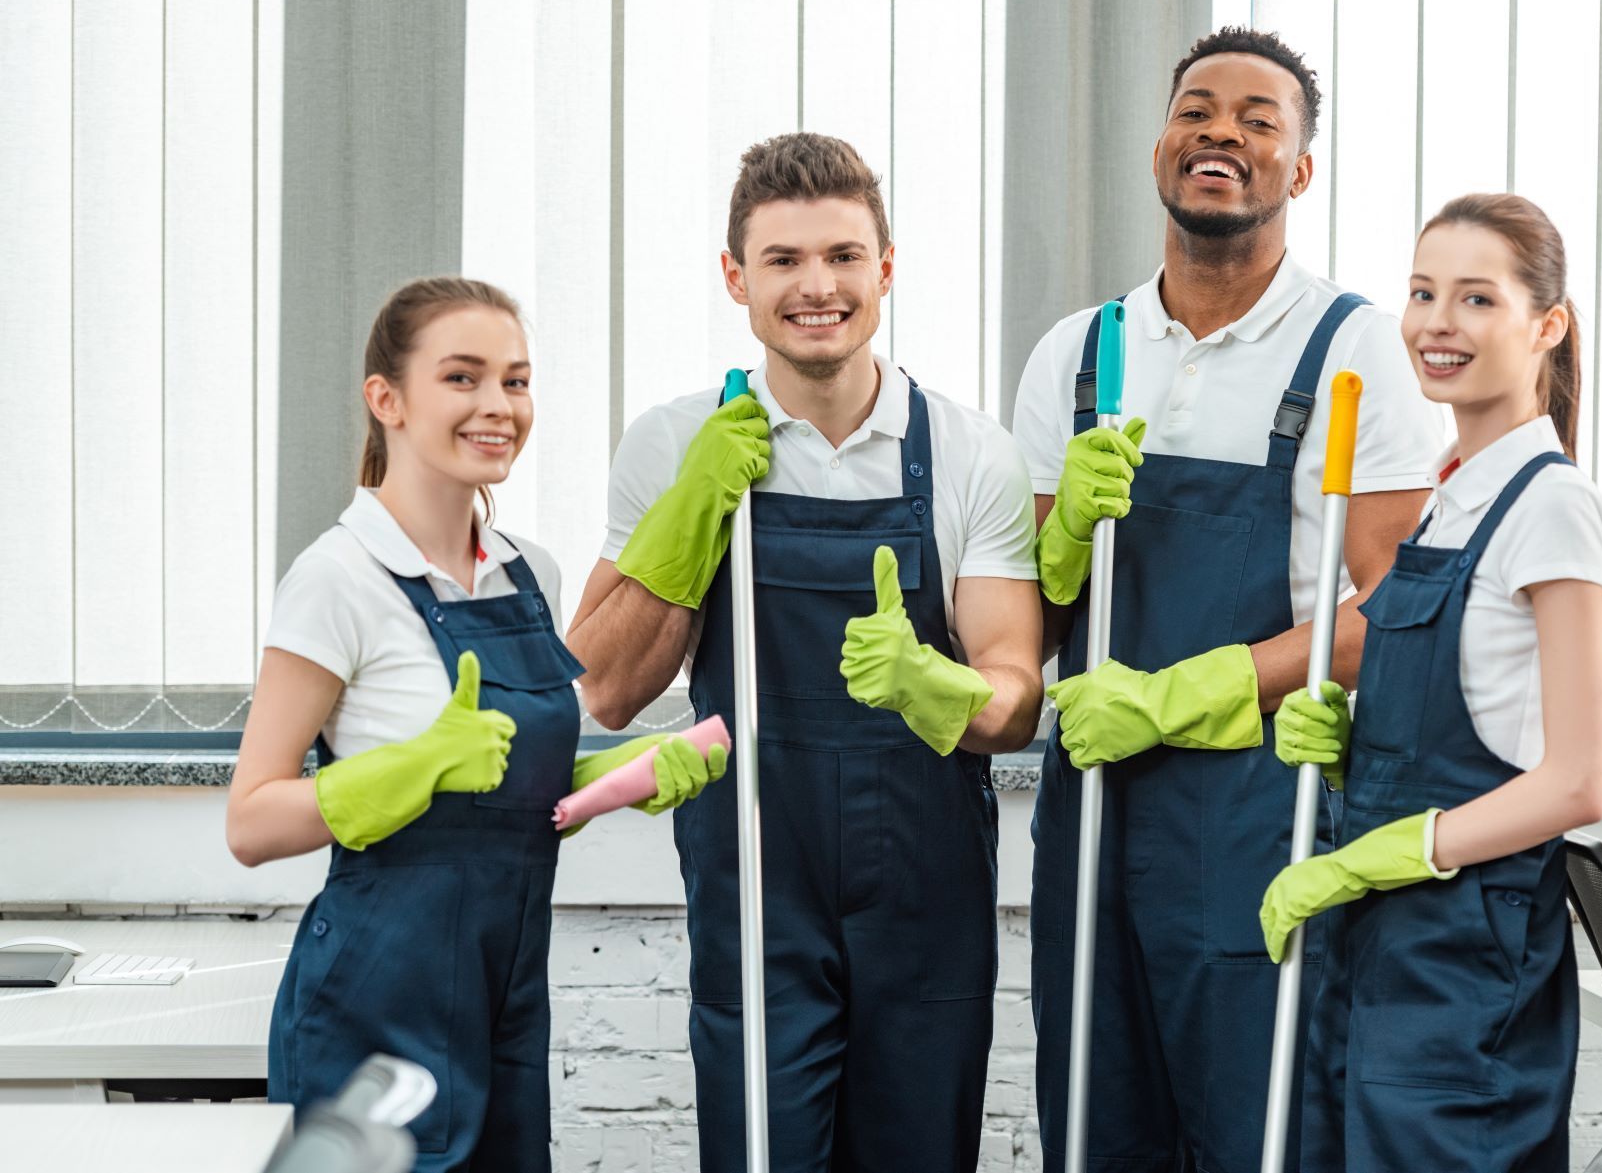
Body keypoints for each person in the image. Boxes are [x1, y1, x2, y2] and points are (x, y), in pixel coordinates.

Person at [566, 133, 1045, 1172]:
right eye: (783, 260)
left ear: (886, 267)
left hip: (926, 895)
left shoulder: (968, 451)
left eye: (841, 255)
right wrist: (690, 510)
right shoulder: (672, 440)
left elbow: (1018, 699)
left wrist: (938, 684)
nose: (816, 285)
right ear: (736, 277)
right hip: (754, 882)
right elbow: (606, 687)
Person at [1011, 26, 1443, 1171]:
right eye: (1198, 108)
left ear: (1299, 171)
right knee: (1097, 1116)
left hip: (1260, 805)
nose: (1221, 133)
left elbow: (1395, 608)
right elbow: (1028, 610)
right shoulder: (1078, 353)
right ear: (1161, 144)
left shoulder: (1355, 350)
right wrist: (1056, 548)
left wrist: (1199, 691)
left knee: (1256, 1124)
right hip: (1096, 806)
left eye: (1260, 120)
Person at [226, 277, 722, 1172]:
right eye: (462, 377)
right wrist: (412, 766)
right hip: (375, 1000)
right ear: (388, 400)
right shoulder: (338, 577)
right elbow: (252, 820)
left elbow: (502, 784)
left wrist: (617, 773)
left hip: (505, 991)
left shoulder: (530, 570)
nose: (497, 406)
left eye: (516, 381)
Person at [1264, 193, 1602, 1172]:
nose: (1437, 322)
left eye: (1477, 299)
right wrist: (1351, 744)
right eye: (1423, 293)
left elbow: (1576, 782)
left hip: (1464, 959)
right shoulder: (1448, 500)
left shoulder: (1553, 509)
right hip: (1380, 947)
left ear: (1545, 325)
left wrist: (1376, 854)